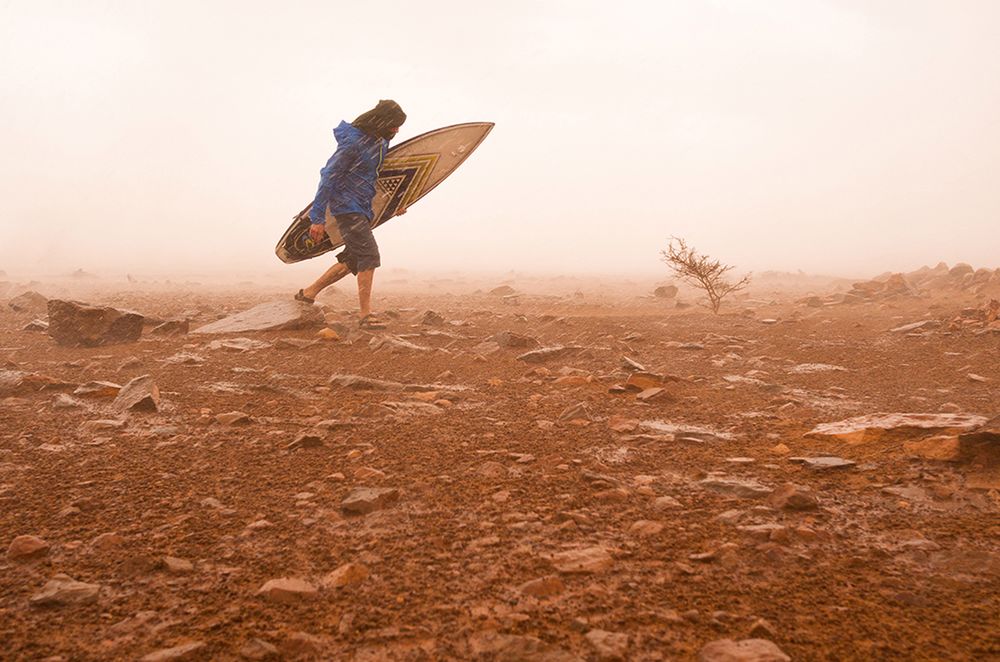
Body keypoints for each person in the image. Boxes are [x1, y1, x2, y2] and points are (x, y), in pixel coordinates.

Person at [295, 100, 407, 329]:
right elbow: (328, 177)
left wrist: (392, 206)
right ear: (382, 121)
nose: (396, 130)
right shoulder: (353, 143)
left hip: (364, 207)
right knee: (369, 254)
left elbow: (379, 178)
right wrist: (317, 219)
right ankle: (365, 315)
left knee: (354, 258)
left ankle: (308, 293)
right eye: (394, 125)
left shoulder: (380, 142)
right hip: (346, 206)